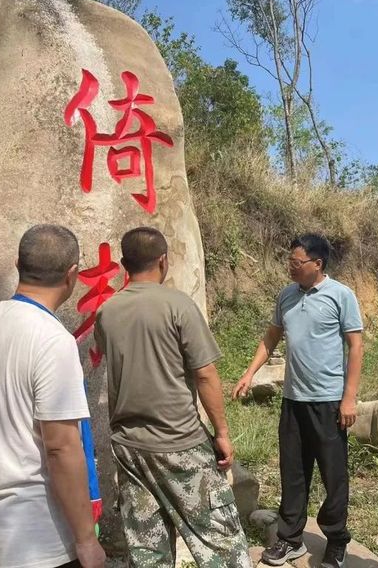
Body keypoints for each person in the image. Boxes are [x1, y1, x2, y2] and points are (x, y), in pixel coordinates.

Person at [94, 226, 252, 568]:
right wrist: (222, 433)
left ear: (124, 264)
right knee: (222, 544)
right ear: (163, 261)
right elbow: (205, 373)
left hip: (130, 448)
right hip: (179, 442)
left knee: (148, 551)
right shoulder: (178, 306)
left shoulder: (108, 311)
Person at [0, 224, 105, 568]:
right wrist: (86, 539)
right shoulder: (52, 340)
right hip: (39, 537)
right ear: (72, 274)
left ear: (17, 265)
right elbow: (61, 447)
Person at [233, 233, 364, 568]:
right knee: (293, 472)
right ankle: (290, 538)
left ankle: (336, 539)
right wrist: (249, 373)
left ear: (317, 263)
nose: (290, 267)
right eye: (289, 261)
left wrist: (349, 398)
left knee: (334, 476)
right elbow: (271, 337)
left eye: (296, 262)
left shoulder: (341, 295)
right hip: (293, 400)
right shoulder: (287, 295)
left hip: (329, 401)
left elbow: (355, 346)